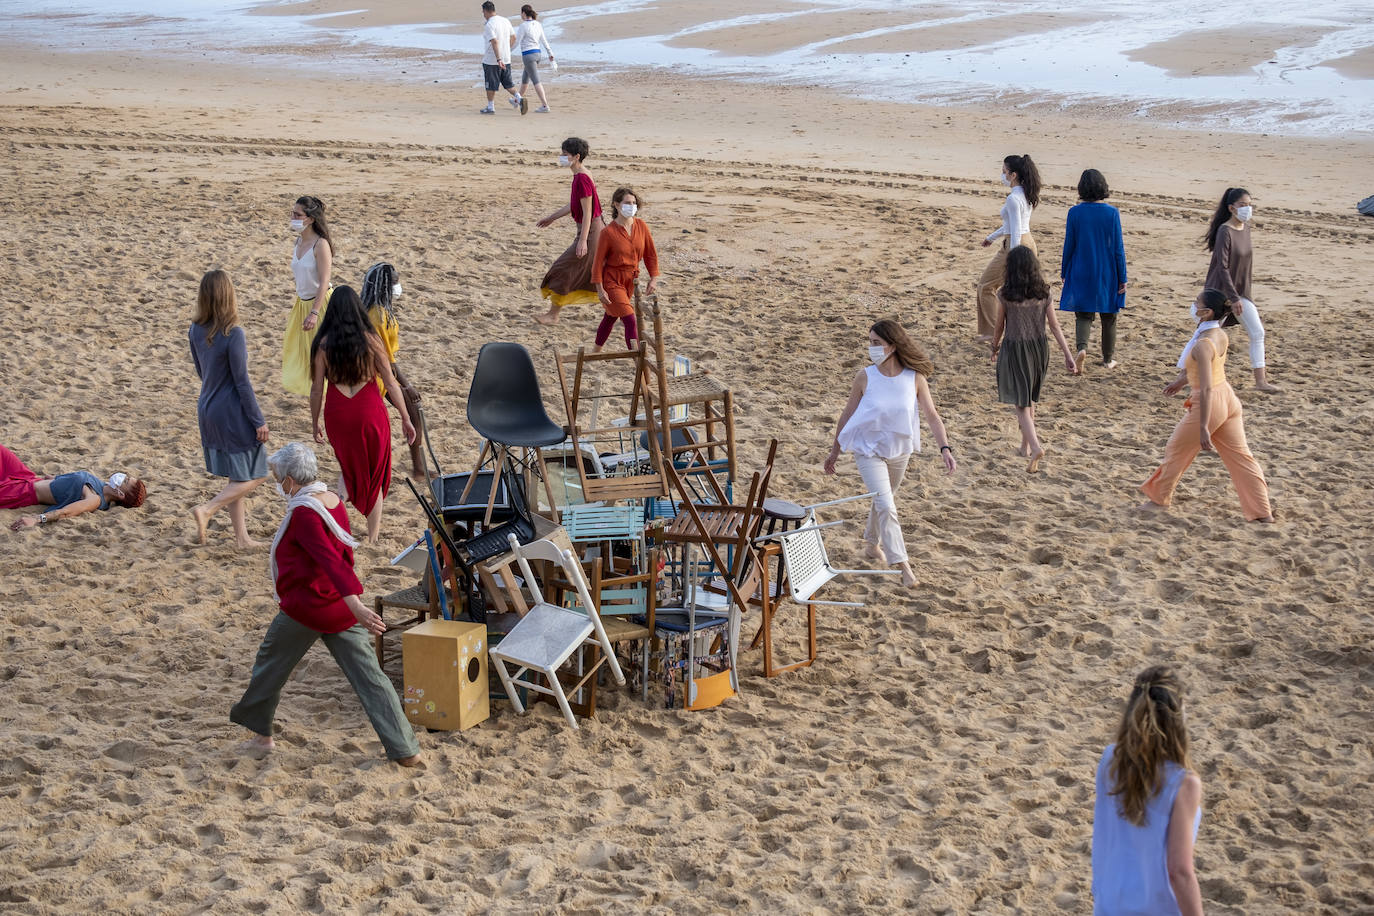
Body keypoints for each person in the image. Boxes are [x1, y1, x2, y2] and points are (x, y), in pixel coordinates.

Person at [230, 442, 421, 766]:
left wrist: (357, 606)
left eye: (279, 476)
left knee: (270, 665)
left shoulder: (305, 512)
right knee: (370, 677)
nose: (278, 483)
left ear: (291, 479)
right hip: (337, 606)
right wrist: (351, 606)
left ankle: (262, 736)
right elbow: (343, 557)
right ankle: (406, 750)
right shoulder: (332, 500)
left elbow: (331, 561)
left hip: (309, 605)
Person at [823, 319, 957, 588]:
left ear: (892, 346)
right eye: (870, 342)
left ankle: (872, 545)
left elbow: (932, 416)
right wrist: (834, 451)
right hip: (867, 450)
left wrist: (945, 448)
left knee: (884, 499)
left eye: (877, 343)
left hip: (899, 451)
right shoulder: (865, 376)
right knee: (886, 505)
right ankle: (904, 567)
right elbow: (847, 415)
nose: (871, 348)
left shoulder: (914, 378)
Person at [1140, 289, 1274, 522]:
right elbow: (1207, 370)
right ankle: (1263, 513)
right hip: (1228, 399)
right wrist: (1180, 382)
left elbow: (1206, 386)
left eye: (1196, 304)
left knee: (1176, 450)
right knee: (1241, 457)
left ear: (1206, 312)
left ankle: (1158, 500)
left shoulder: (1202, 344)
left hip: (1209, 402)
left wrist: (1203, 427)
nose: (1193, 307)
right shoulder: (1219, 334)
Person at [1092, 666, 1203, 916]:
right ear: (1178, 717)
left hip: (1108, 906)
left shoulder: (1110, 760)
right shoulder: (1183, 784)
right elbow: (1180, 872)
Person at [310, 286, 416, 543]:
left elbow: (316, 389)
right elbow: (391, 383)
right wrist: (405, 417)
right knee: (374, 473)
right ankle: (372, 537)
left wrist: (314, 423)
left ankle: (339, 512)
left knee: (348, 467)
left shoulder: (323, 344)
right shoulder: (371, 340)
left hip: (338, 412)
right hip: (368, 411)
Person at [189, 269, 270, 548]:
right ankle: (208, 509)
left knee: (238, 476)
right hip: (231, 411)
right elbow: (242, 382)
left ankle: (241, 538)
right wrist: (258, 420)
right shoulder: (233, 333)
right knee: (258, 473)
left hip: (207, 405)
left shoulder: (195, 329)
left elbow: (202, 371)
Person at [991, 245, 1077, 473]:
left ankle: (1036, 446)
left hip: (1015, 349)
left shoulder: (1005, 294)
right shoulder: (1044, 293)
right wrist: (1068, 355)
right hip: (1039, 349)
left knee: (1020, 405)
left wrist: (994, 347)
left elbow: (999, 326)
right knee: (1030, 398)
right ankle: (1024, 448)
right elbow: (1056, 327)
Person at [1204, 186, 1278, 392]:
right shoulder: (1224, 231)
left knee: (1257, 332)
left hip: (1241, 293)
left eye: (1249, 205)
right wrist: (1233, 298)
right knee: (1207, 336)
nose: (1247, 209)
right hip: (1220, 293)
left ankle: (1261, 382)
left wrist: (1240, 296)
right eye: (1242, 205)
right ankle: (1186, 373)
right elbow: (1222, 267)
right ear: (1231, 208)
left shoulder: (1245, 229)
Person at [361, 262, 427, 480]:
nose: (399, 287)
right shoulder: (379, 317)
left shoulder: (374, 310)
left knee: (413, 411)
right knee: (413, 412)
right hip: (376, 377)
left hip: (377, 372)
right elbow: (388, 362)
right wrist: (407, 385)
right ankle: (417, 469)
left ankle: (418, 468)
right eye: (396, 283)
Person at [1059, 168, 1128, 372]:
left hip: (1081, 267)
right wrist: (1122, 277)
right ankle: (1107, 359)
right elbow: (1118, 248)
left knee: (1083, 314)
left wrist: (1064, 271)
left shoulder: (1075, 212)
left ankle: (1082, 348)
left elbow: (1068, 244)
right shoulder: (1111, 213)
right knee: (1109, 317)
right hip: (1106, 271)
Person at [535, 137, 604, 325]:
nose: (562, 157)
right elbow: (574, 204)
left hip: (591, 231)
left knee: (563, 269)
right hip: (590, 229)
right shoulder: (580, 175)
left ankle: (553, 315)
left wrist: (583, 241)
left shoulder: (582, 177)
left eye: (565, 155)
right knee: (589, 274)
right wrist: (552, 217)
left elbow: (588, 212)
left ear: (576, 156)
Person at [976, 154, 1042, 341]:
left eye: (1004, 171)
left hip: (1016, 245)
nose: (1002, 174)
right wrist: (991, 237)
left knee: (985, 286)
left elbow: (1014, 232)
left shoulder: (1014, 199)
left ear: (1013, 175)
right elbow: (1015, 225)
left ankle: (991, 332)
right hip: (1028, 242)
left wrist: (1014, 259)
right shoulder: (1026, 193)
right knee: (1022, 291)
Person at [4, 444, 146, 530]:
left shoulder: (95, 499)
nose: (123, 476)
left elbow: (65, 512)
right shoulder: (102, 484)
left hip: (24, 491)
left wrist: (36, 519)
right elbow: (72, 483)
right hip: (27, 477)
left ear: (121, 494)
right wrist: (55, 479)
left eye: (126, 481)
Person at [590, 187, 660, 352]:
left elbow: (650, 253)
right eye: (627, 203)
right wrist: (600, 289)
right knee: (629, 318)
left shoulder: (641, 226)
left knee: (611, 316)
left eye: (634, 203)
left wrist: (654, 277)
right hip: (611, 280)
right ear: (616, 204)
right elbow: (598, 263)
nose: (632, 206)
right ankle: (637, 358)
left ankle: (594, 352)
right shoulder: (608, 233)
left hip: (631, 281)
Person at [284, 195, 334, 396]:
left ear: (311, 218)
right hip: (302, 303)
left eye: (298, 214)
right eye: (292, 213)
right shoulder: (298, 241)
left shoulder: (321, 245)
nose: (293, 217)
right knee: (302, 354)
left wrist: (314, 312)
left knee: (324, 356)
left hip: (320, 304)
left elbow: (324, 281)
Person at [478, 1, 521, 115]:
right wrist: (506, 50)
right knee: (508, 83)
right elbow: (513, 37)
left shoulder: (489, 24)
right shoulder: (505, 20)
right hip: (506, 58)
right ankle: (519, 98)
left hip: (492, 60)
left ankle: (490, 106)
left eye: (483, 12)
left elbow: (494, 41)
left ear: (486, 11)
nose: (483, 14)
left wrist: (498, 59)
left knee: (490, 84)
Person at [512, 5, 555, 113]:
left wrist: (507, 52)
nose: (520, 15)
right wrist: (550, 53)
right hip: (537, 54)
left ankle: (545, 105)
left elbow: (517, 42)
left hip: (528, 56)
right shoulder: (538, 24)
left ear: (523, 13)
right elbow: (544, 40)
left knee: (536, 81)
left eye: (521, 13)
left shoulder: (523, 26)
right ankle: (516, 101)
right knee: (525, 79)